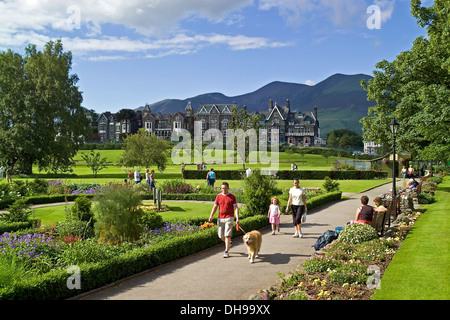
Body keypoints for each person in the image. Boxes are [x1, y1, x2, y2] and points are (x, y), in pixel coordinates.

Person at [209, 182, 239, 258]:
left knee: (227, 235)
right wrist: (211, 216)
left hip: (229, 217)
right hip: (220, 218)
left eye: (225, 188)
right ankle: (228, 243)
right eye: (222, 188)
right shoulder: (218, 196)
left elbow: (236, 208)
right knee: (220, 235)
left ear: (228, 188)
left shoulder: (232, 197)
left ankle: (226, 251)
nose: (223, 190)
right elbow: (215, 207)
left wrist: (237, 218)